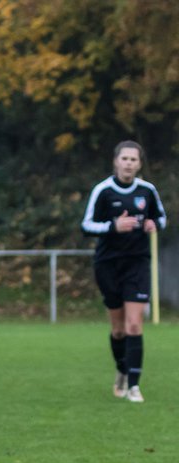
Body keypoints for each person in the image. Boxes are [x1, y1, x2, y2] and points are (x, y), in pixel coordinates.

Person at [81, 140, 167, 403]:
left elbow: (161, 218)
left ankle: (134, 386)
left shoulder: (148, 190)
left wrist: (154, 224)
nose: (129, 163)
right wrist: (112, 226)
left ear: (140, 164)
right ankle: (121, 369)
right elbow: (86, 225)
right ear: (116, 161)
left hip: (137, 262)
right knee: (118, 329)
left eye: (134, 159)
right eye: (125, 158)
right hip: (108, 264)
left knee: (133, 324)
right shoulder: (103, 191)